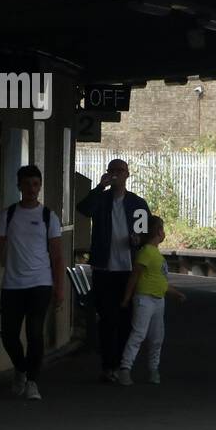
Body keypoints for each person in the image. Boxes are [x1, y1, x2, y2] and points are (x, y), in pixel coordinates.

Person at [0, 164, 65, 401]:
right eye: (27, 184)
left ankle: (32, 381)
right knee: (9, 334)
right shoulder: (8, 215)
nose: (32, 189)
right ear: (18, 186)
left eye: (36, 184)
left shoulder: (48, 216)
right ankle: (20, 368)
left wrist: (59, 289)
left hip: (40, 283)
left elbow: (58, 255)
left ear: (40, 187)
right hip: (12, 284)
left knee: (34, 332)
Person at [76, 158, 148, 383]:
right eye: (113, 170)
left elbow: (145, 233)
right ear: (108, 173)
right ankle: (108, 366)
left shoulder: (137, 203)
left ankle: (122, 364)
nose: (117, 174)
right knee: (107, 318)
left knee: (126, 318)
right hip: (103, 267)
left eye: (121, 171)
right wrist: (99, 187)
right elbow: (83, 209)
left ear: (128, 175)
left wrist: (138, 239)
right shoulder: (101, 199)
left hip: (128, 269)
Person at [117, 215, 186, 385]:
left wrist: (176, 293)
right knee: (139, 333)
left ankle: (153, 370)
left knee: (157, 337)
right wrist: (127, 298)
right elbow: (135, 275)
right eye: (162, 229)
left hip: (157, 299)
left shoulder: (155, 253)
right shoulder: (146, 251)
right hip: (145, 298)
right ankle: (125, 368)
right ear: (157, 231)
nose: (164, 233)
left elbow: (161, 282)